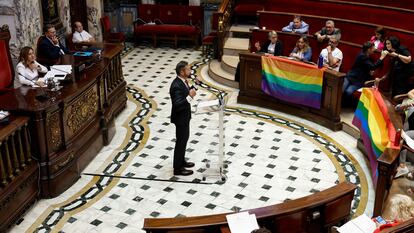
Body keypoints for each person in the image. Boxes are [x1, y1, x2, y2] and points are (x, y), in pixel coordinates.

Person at [170, 61, 196, 176]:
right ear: (182, 71)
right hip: (180, 118)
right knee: (180, 142)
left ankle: (182, 161)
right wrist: (190, 97)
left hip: (185, 117)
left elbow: (190, 92)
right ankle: (177, 169)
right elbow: (178, 104)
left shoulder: (183, 81)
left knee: (184, 140)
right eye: (188, 69)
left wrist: (196, 85)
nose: (190, 71)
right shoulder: (176, 86)